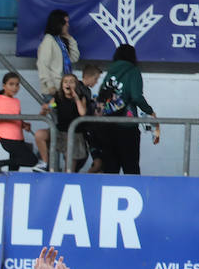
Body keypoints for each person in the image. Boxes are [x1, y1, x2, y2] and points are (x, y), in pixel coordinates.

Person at [95, 43, 158, 175]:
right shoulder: (133, 71)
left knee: (110, 169)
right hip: (127, 125)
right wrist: (149, 110)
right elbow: (136, 97)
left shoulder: (110, 71)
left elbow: (101, 93)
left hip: (107, 124)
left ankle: (110, 195)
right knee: (131, 168)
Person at [0, 72, 38, 173]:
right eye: (11, 84)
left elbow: (18, 118)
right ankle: (0, 163)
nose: (14, 87)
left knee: (14, 168)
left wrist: (24, 125)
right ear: (4, 86)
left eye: (17, 85)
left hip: (19, 137)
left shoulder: (16, 101)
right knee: (32, 160)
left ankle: (9, 184)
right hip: (6, 137)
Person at [36, 73, 91, 172]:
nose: (68, 84)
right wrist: (46, 108)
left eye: (71, 82)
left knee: (69, 169)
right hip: (60, 132)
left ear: (76, 85)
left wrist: (76, 98)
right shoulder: (58, 97)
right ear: (62, 85)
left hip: (75, 136)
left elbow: (82, 113)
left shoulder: (81, 97)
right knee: (40, 134)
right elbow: (51, 106)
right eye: (65, 82)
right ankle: (45, 163)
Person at [36, 9, 78, 98]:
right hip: (54, 89)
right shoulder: (48, 41)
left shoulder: (61, 41)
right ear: (58, 23)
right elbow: (42, 64)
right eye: (65, 22)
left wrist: (69, 38)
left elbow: (74, 58)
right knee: (54, 110)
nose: (68, 25)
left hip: (64, 88)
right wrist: (50, 85)